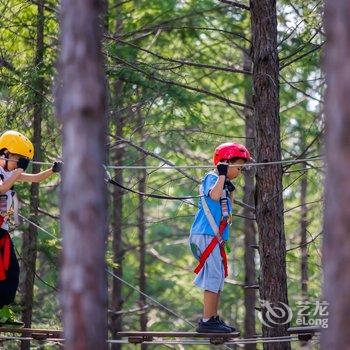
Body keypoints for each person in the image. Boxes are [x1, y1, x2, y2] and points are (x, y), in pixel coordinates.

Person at [0, 130, 62, 324]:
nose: (19, 164)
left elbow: (35, 178)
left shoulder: (11, 173)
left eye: (22, 160)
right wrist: (18, 171)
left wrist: (53, 170)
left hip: (1, 232)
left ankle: (2, 312)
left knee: (11, 273)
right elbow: (1, 188)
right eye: (17, 159)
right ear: (5, 153)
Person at [189, 142, 251, 333]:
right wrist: (222, 175)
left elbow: (227, 209)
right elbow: (214, 196)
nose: (239, 172)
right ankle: (207, 321)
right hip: (205, 234)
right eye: (238, 168)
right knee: (214, 275)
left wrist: (229, 189)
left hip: (213, 237)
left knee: (217, 277)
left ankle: (213, 317)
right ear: (225, 163)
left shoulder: (222, 183)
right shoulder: (212, 177)